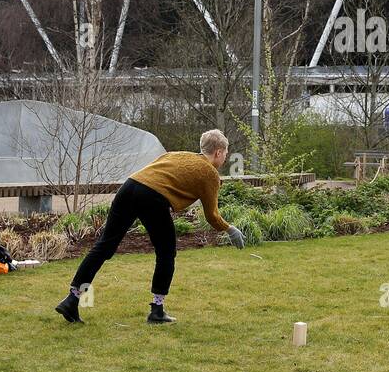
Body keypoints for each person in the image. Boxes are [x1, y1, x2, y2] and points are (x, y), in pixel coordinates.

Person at [55, 129, 246, 324]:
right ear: (218, 152)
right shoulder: (210, 174)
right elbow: (212, 216)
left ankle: (72, 298)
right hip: (152, 197)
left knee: (104, 246)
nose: (226, 157)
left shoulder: (177, 154)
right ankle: (157, 310)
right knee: (166, 252)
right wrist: (230, 229)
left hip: (129, 187)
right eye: (226, 152)